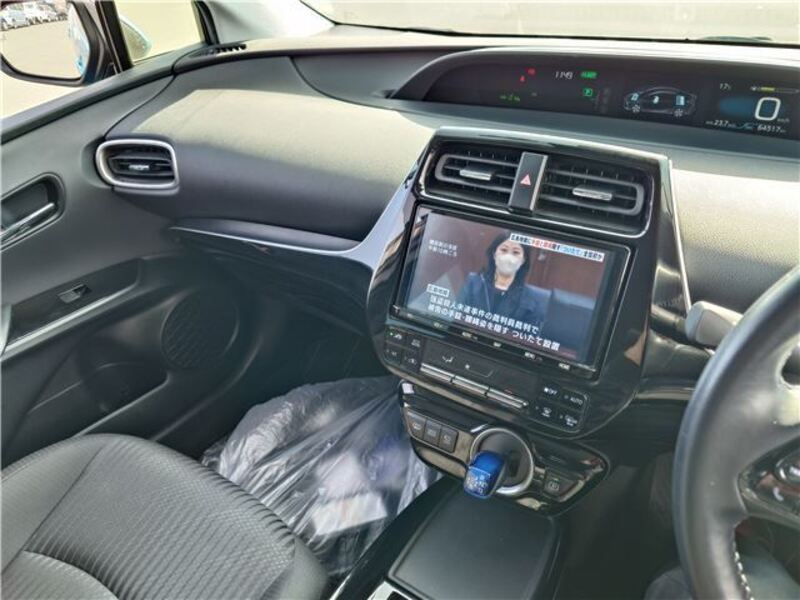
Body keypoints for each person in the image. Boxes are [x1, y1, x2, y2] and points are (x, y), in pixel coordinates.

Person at [455, 232, 543, 329]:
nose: (508, 257)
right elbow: (457, 317)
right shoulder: (473, 282)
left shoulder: (530, 299)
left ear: (523, 260)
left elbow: (528, 334)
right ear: (494, 254)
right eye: (504, 250)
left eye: (516, 252)